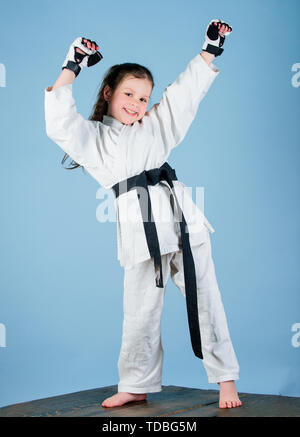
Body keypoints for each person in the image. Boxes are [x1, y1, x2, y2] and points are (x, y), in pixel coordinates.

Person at [44, 19, 242, 409]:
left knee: (207, 300)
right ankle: (135, 384)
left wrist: (210, 49)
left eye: (143, 97)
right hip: (139, 235)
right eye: (128, 94)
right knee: (139, 313)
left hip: (184, 224)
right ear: (108, 92)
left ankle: (226, 381)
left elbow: (184, 96)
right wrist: (72, 65)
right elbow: (59, 124)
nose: (136, 104)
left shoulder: (155, 127)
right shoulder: (94, 138)